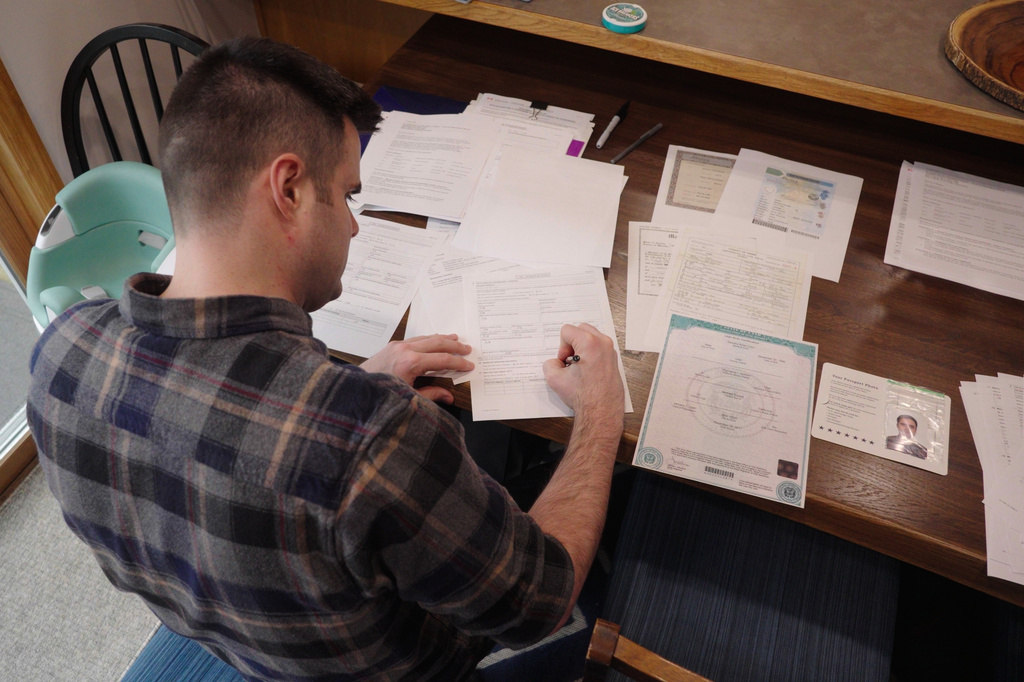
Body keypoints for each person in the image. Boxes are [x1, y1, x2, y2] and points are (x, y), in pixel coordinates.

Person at [26, 37, 625, 681]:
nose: (354, 226)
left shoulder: (60, 353)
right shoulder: (372, 439)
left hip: (245, 642)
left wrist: (351, 384)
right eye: (346, 196)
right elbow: (539, 602)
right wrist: (600, 413)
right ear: (287, 187)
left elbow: (211, 433)